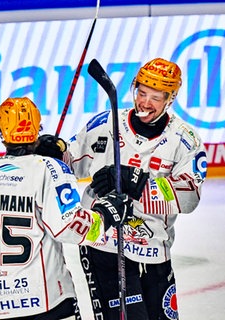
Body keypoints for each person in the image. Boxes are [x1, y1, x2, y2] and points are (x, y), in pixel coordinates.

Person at [0, 97, 134, 320]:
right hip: (46, 306)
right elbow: (70, 227)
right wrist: (107, 213)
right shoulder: (50, 169)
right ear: (37, 129)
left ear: (0, 132)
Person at [40, 58, 207, 319]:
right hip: (104, 244)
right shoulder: (105, 124)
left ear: (170, 99)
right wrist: (54, 151)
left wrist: (139, 183)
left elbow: (189, 196)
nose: (145, 103)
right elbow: (71, 163)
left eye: (155, 97)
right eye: (142, 93)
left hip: (154, 247)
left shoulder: (184, 139)